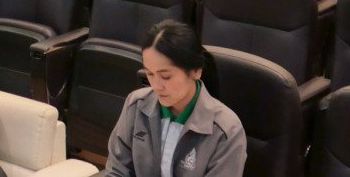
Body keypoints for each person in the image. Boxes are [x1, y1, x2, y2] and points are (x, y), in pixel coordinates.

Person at [103, 20, 246, 177]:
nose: (156, 86)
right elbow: (116, 171)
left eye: (166, 76)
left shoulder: (226, 130)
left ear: (196, 71)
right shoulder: (136, 105)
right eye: (150, 73)